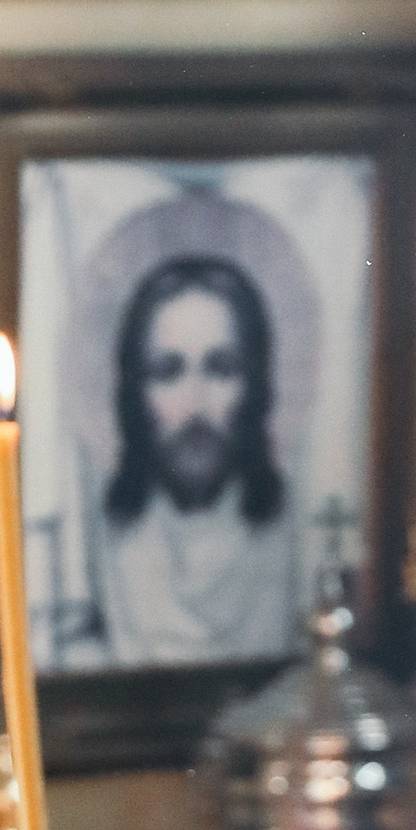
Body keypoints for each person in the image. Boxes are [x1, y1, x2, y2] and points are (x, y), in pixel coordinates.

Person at [89, 252, 296, 665]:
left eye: (221, 369)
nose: (195, 404)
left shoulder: (297, 528)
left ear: (254, 386)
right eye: (167, 371)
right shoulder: (99, 535)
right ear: (136, 393)